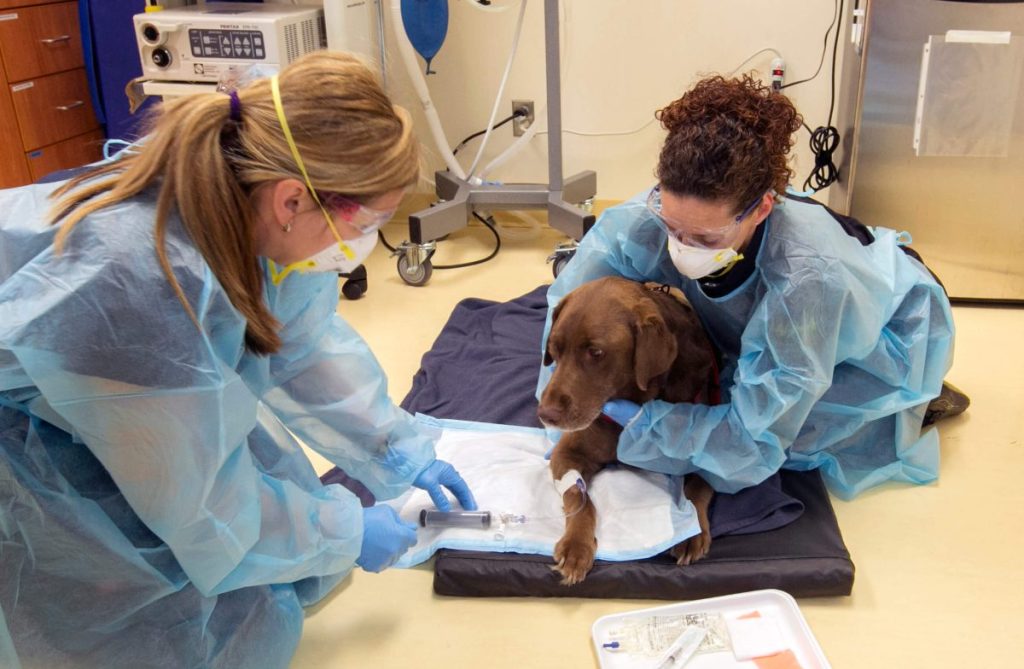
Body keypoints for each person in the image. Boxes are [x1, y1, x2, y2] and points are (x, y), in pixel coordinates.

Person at [0, 51, 476, 668]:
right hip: (43, 407)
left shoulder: (250, 212)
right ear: (292, 201)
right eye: (373, 221)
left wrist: (396, 448)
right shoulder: (140, 286)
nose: (365, 244)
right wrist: (346, 532)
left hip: (122, 377)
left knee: (266, 526)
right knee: (155, 620)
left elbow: (299, 348)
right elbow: (202, 508)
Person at [537, 74, 967, 501]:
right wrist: (563, 390)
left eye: (704, 239)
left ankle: (918, 401)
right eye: (672, 227)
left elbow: (749, 445)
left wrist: (645, 427)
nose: (682, 248)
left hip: (890, 328)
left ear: (761, 208)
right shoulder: (654, 216)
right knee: (728, 376)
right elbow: (573, 299)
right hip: (793, 292)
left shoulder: (806, 279)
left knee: (796, 433)